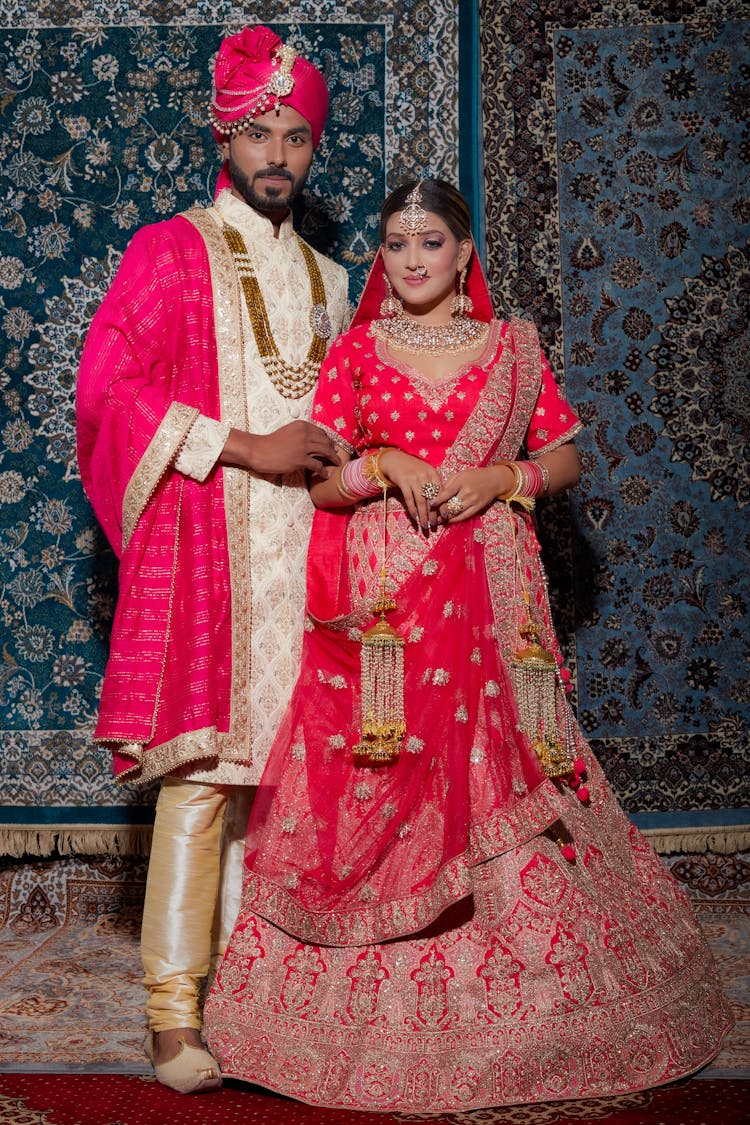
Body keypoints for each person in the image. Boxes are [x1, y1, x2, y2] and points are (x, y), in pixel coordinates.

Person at [202, 179, 732, 1114]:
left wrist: (501, 476)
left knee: (503, 767)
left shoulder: (515, 347)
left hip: (491, 595)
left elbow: (565, 453)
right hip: (386, 609)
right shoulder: (358, 352)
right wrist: (386, 465)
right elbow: (324, 486)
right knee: (384, 780)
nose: (413, 260)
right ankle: (339, 1019)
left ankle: (533, 1008)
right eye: (397, 243)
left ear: (463, 253)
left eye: (432, 242)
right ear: (382, 258)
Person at [76, 25, 350, 1094]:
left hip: (315, 560)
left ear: (315, 147)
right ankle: (173, 1014)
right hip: (209, 543)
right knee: (201, 783)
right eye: (255, 133)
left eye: (294, 136)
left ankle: (264, 1007)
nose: (276, 153)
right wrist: (249, 448)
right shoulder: (169, 249)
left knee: (290, 792)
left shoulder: (334, 279)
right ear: (220, 136)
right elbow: (108, 390)